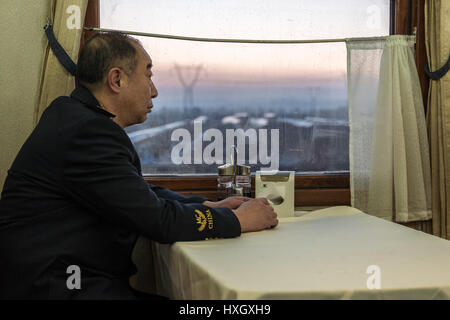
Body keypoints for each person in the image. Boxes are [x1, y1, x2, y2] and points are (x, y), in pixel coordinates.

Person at [0, 32, 278, 299]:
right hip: (58, 288)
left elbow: (138, 194)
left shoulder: (73, 117)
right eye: (148, 75)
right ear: (117, 79)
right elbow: (156, 220)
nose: (154, 91)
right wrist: (238, 220)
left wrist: (206, 206)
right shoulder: (88, 133)